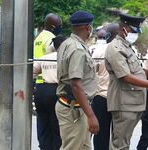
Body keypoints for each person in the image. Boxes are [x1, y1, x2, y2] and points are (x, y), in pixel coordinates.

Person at [104, 13, 148, 150]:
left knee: (124, 143)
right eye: (133, 31)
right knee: (120, 145)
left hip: (132, 103)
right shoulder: (115, 48)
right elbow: (125, 77)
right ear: (124, 30)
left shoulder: (126, 47)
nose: (135, 35)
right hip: (124, 104)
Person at [56, 10, 99, 150]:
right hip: (74, 108)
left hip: (76, 107)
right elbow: (75, 84)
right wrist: (91, 115)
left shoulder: (67, 43)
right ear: (88, 27)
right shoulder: (77, 50)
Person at [33, 35, 67, 150]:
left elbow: (31, 71)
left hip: (42, 92)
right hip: (57, 92)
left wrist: (33, 88)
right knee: (56, 127)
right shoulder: (67, 58)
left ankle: (44, 147)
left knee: (43, 125)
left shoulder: (45, 57)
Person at [90, 23, 119, 150]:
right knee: (117, 135)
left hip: (101, 96)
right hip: (119, 98)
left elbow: (92, 74)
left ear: (108, 35)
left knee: (100, 134)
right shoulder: (125, 50)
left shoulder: (99, 50)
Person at [34, 13, 62, 84]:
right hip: (48, 80)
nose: (61, 28)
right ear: (53, 27)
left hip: (38, 78)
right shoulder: (51, 39)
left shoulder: (38, 38)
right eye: (59, 26)